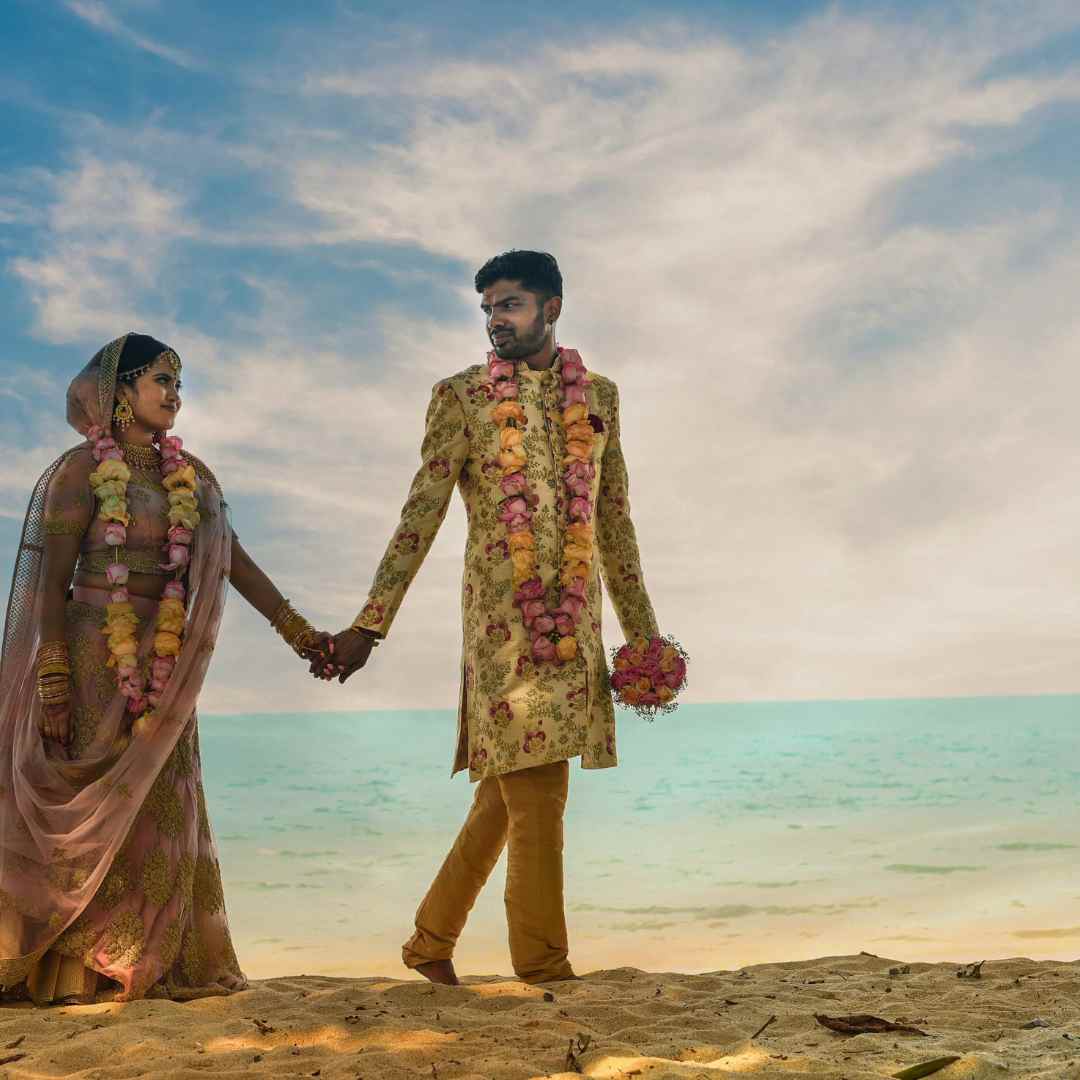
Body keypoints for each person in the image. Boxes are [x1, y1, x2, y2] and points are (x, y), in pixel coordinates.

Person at [316, 251, 660, 985]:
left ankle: (429, 942)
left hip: (574, 627)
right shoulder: (463, 397)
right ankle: (543, 968)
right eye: (488, 309)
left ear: (552, 308)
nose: (495, 320)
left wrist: (645, 638)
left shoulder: (599, 398)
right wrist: (370, 623)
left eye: (509, 305)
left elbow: (616, 525)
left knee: (508, 796)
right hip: (503, 632)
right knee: (539, 794)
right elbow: (423, 511)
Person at [0, 333, 329, 1004]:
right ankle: (69, 971)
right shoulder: (80, 471)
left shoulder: (194, 479)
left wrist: (300, 634)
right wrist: (54, 674)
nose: (175, 395)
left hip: (164, 671)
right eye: (162, 381)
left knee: (157, 811)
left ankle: (135, 964)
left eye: (179, 384)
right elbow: (49, 586)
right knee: (89, 815)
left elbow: (231, 561)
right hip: (95, 660)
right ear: (121, 392)